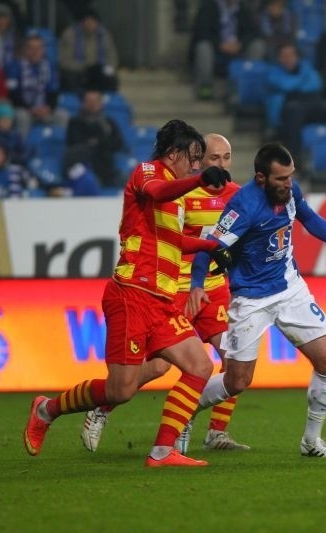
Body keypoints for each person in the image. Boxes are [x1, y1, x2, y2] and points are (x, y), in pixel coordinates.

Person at [22, 119, 233, 467]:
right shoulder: (148, 172)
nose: (196, 165)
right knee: (121, 388)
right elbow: (154, 192)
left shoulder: (176, 194)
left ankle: (163, 452)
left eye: (199, 159)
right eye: (192, 157)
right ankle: (47, 409)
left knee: (199, 365)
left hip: (162, 301)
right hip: (131, 295)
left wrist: (208, 246)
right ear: (173, 153)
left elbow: (171, 241)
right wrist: (198, 180)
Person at [188, 142, 326, 459]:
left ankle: (311, 441)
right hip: (250, 300)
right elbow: (208, 247)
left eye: (290, 177)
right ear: (261, 178)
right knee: (238, 380)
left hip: (290, 289)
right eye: (281, 179)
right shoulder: (243, 206)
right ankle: (183, 414)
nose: (288, 184)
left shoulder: (290, 192)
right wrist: (196, 285)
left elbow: (311, 219)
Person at [80, 133, 249, 453]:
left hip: (214, 288)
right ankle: (105, 406)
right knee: (158, 367)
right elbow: (167, 233)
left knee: (233, 360)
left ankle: (216, 432)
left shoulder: (236, 196)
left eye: (226, 159)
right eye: (214, 159)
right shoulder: (181, 190)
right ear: (199, 161)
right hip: (174, 287)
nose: (221, 165)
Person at [64, 88, 125, 186]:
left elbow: (118, 143)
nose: (92, 104)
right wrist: (101, 143)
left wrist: (97, 142)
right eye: (89, 101)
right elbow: (76, 144)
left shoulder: (108, 123)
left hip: (107, 169)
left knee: (130, 181)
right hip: (85, 169)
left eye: (95, 101)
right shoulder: (75, 123)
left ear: (101, 103)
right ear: (83, 103)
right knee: (91, 182)